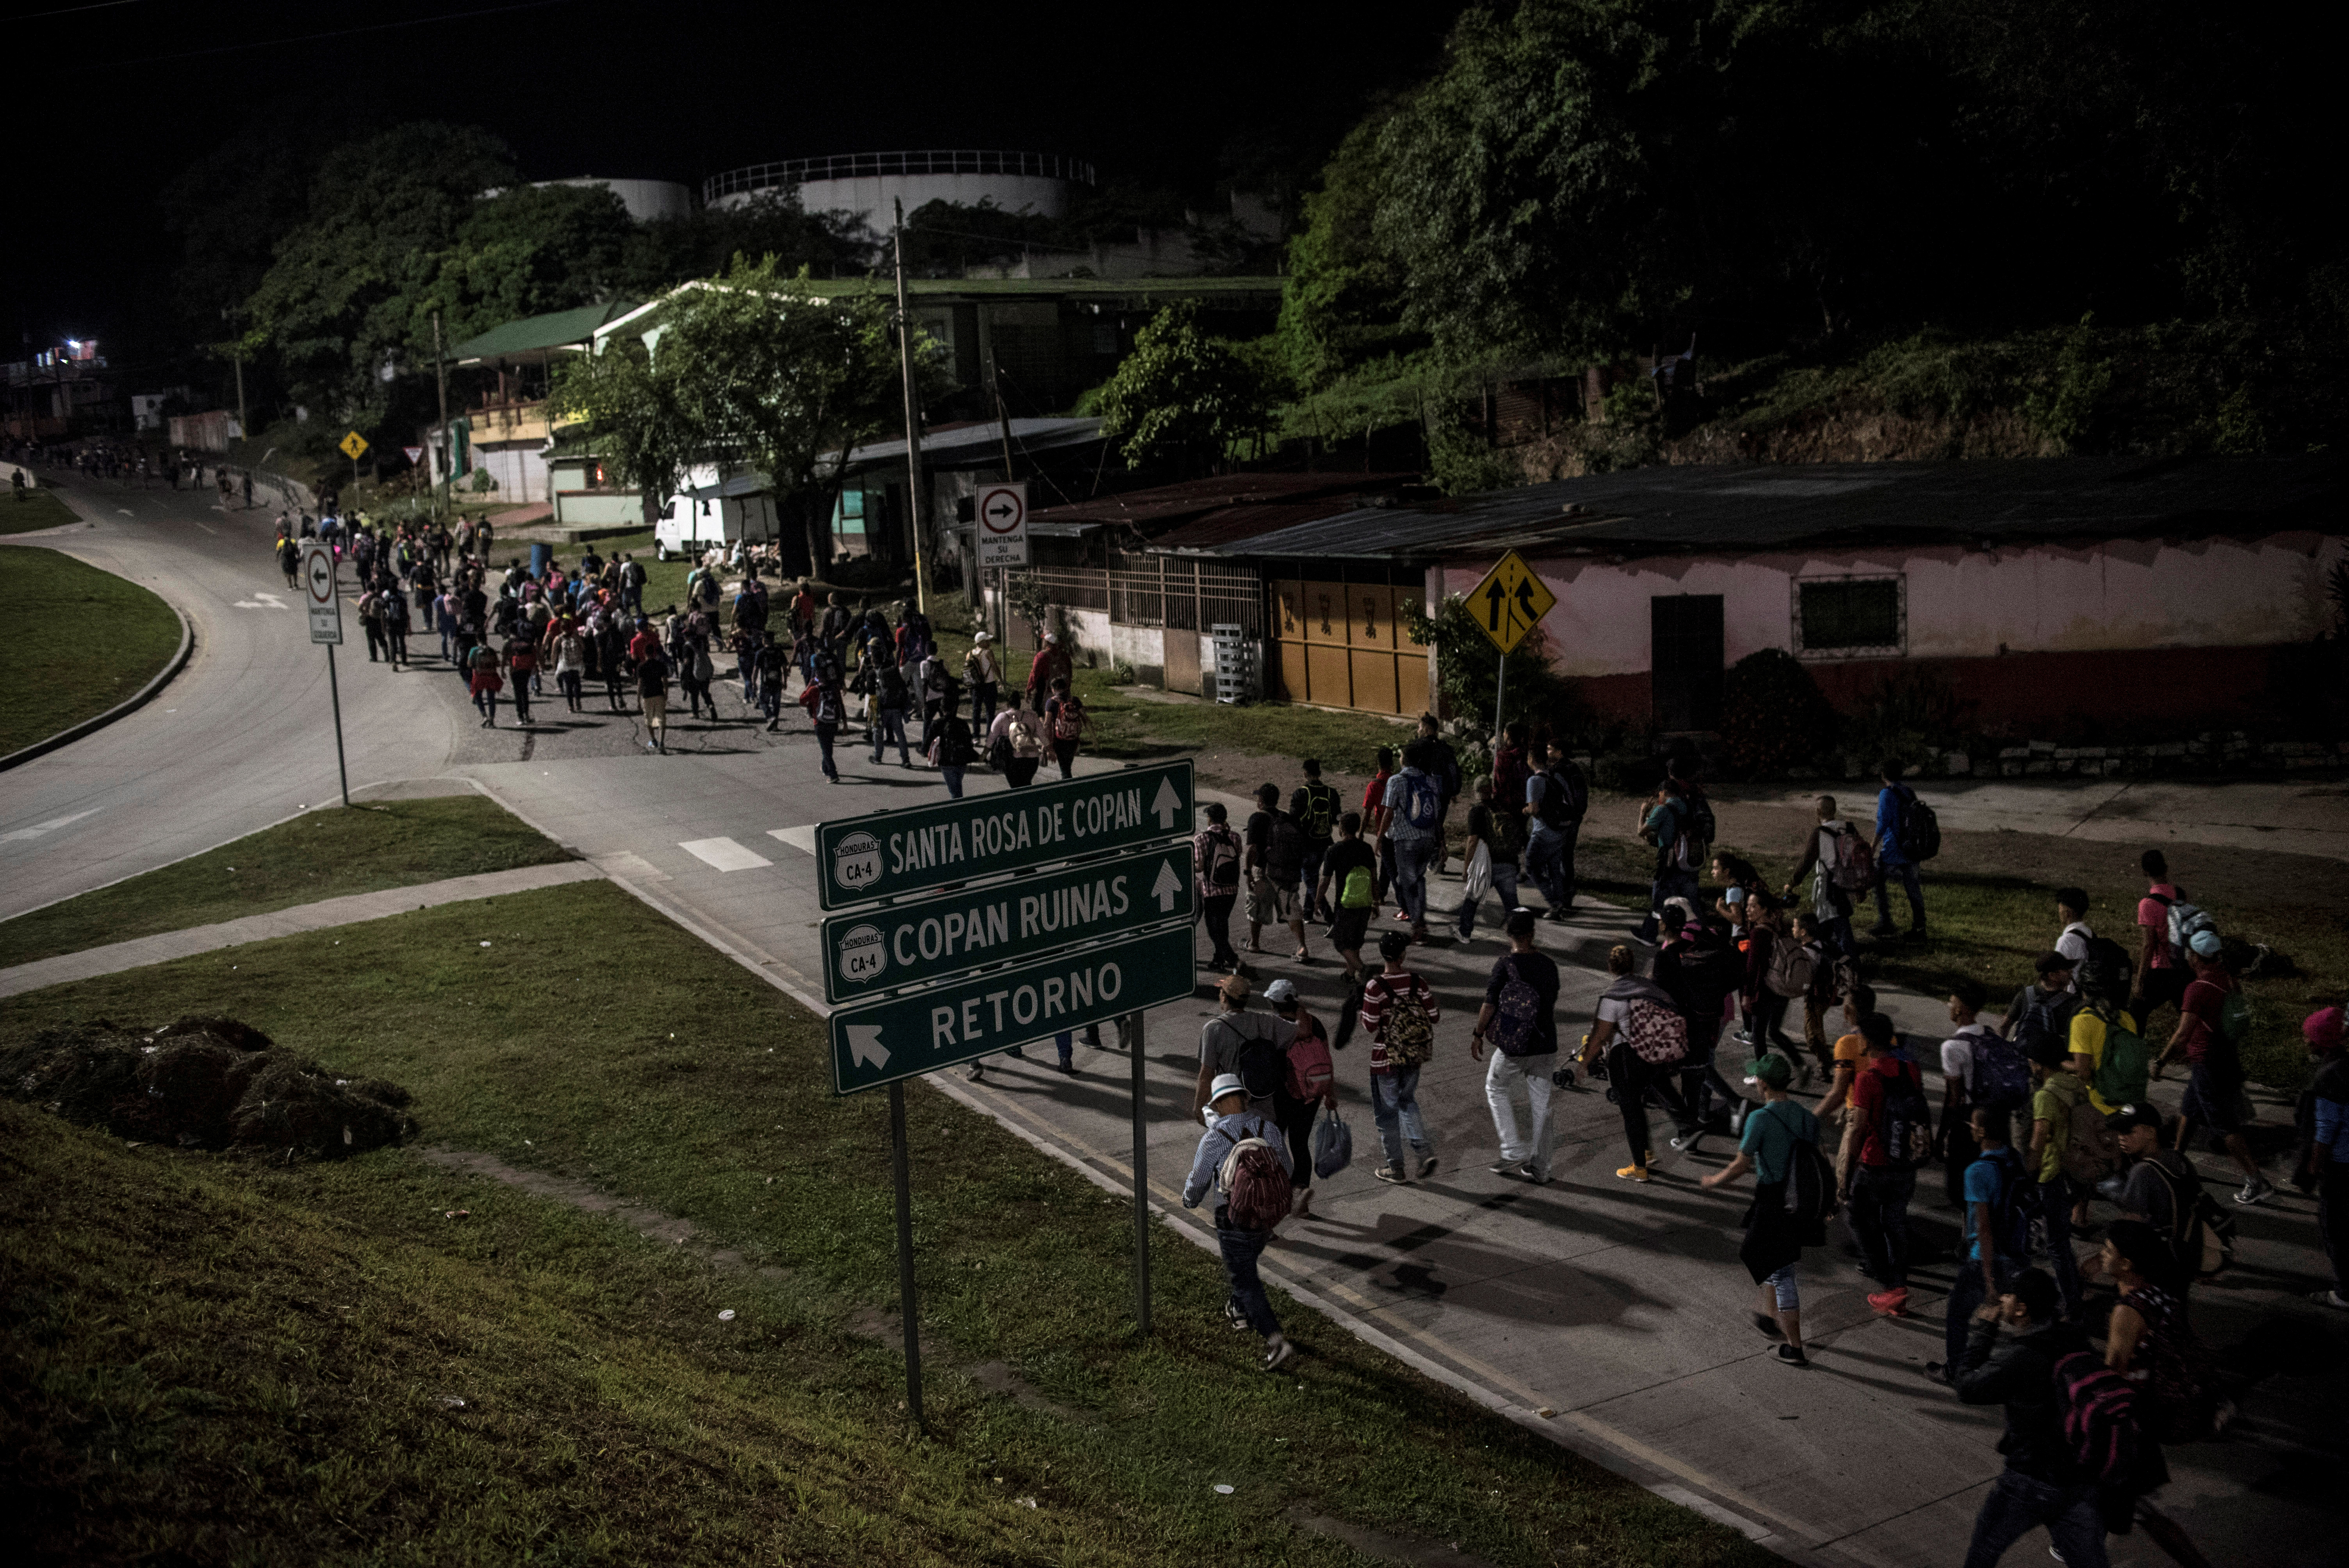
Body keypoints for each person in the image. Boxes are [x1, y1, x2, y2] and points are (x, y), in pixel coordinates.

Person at [1949, 1269, 2107, 1568]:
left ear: (2021, 1308)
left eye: (2008, 1295)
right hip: (2078, 1475)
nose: (2002, 1301)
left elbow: (1968, 1388)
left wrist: (1983, 1332)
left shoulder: (2021, 1356)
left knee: (1984, 1551)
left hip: (2031, 1477)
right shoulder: (2072, 1337)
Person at [1699, 1053, 1824, 1367]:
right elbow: (1822, 1159)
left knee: (1778, 1269)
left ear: (1764, 1084)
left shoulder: (1760, 1119)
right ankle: (1769, 1315)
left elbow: (1742, 1165)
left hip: (1774, 1201)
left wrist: (1714, 1181)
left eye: (1757, 1079)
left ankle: (1795, 1348)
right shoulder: (1807, 1116)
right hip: (1801, 1198)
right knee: (1771, 1257)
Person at [1181, 1071, 1297, 1372]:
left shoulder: (1215, 1139)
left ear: (1217, 1106)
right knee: (1247, 1263)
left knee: (1244, 1279)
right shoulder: (1268, 1129)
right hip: (1267, 1217)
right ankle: (1239, 1311)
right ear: (1245, 1099)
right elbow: (1286, 1167)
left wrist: (1189, 1202)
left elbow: (1198, 1182)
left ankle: (1275, 1340)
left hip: (1234, 1219)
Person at [2158, 930, 2271, 1204]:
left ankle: (2257, 1180)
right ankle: (2176, 1160)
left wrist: (2161, 1060)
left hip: (2208, 1063)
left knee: (2223, 1125)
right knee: (2190, 1109)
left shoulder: (2198, 988)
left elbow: (2183, 1033)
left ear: (2196, 957)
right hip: (2222, 1056)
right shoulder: (2227, 979)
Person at [1928, 1105, 2030, 1385]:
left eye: (1974, 1125)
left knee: (1958, 1315)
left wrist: (1988, 1278)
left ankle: (1956, 1370)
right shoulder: (2014, 1158)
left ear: (1983, 1131)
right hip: (2017, 1253)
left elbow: (1983, 1228)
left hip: (1986, 1258)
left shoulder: (1977, 1171)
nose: (1971, 1129)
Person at [1841, 1010, 1924, 1318]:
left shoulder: (1869, 1078)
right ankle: (1898, 1288)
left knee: (1859, 1219)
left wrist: (1847, 1170)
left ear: (1867, 1040)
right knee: (1895, 1222)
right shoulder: (1910, 1068)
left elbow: (1858, 1128)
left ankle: (1891, 1287)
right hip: (1905, 1162)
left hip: (1875, 1164)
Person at [1469, 908, 1561, 1183]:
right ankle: (1540, 1167)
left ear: (1509, 934)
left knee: (1495, 1087)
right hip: (1545, 1043)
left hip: (1515, 1046)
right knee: (1542, 1105)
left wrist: (1478, 1033)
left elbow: (1490, 1004)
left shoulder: (1506, 965)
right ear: (1533, 934)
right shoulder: (1549, 965)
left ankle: (1512, 1149)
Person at [1577, 943, 1680, 1182]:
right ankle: (1647, 1152)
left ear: (1611, 968)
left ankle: (1640, 1168)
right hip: (1652, 1055)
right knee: (1641, 1104)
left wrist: (1584, 1063)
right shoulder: (1650, 988)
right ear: (1633, 965)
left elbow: (1600, 1036)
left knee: (1631, 1110)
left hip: (1626, 1058)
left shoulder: (1613, 996)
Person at [1358, 929, 1440, 1183]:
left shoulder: (1375, 986)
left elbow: (1370, 1026)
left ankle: (1396, 1168)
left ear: (1383, 955)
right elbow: (1434, 1016)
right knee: (1407, 1102)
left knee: (1387, 1116)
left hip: (1385, 1060)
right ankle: (1424, 1152)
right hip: (1413, 1056)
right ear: (1403, 956)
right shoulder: (1418, 982)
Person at [2105, 1105, 2206, 1303]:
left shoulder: (2143, 1172)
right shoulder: (2176, 1158)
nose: (2121, 1138)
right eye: (2119, 1132)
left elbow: (2130, 1226)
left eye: (2128, 1132)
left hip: (2157, 1262)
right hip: (2183, 1254)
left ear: (2151, 1133)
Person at [2024, 1036, 2090, 1320]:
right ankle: (2074, 1289)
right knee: (2061, 1239)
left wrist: (2029, 1173)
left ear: (2039, 1065)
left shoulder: (2045, 1096)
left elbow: (2039, 1139)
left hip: (2053, 1175)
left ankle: (2072, 1303)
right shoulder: (2075, 1086)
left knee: (2056, 1244)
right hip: (2077, 1173)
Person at [1264, 978, 1335, 1217]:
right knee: (1300, 1142)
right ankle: (1300, 1191)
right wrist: (1330, 1093)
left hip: (1286, 1093)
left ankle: (1277, 1192)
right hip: (1312, 1093)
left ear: (1274, 1004)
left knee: (1272, 1141)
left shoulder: (1277, 1026)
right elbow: (1325, 1057)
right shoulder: (1314, 1023)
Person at [2297, 1005, 2349, 1309]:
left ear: (2320, 1041)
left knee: (2336, 1228)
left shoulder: (2331, 1075)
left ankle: (2344, 1293)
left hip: (2341, 1166)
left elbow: (2326, 1127)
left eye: (2308, 1036)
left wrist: (2315, 1165)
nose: (2305, 1041)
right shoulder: (2346, 1064)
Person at [1190, 974, 1290, 1119]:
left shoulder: (1214, 1029)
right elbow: (1296, 1031)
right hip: (1263, 1108)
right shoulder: (1263, 1020)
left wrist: (1198, 1109)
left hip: (1232, 1109)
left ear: (1224, 997)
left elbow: (1206, 1075)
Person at [1378, 742, 1443, 942]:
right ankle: (1420, 919)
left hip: (1406, 841)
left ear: (1404, 760)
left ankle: (1418, 927)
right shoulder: (1430, 782)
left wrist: (1379, 838)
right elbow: (1437, 816)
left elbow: (1388, 812)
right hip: (1427, 839)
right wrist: (1442, 843)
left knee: (1408, 883)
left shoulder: (1396, 781)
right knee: (1419, 879)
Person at [1631, 765, 1702, 945]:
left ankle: (1649, 936)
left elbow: (1642, 832)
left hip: (1669, 863)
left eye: (1659, 794)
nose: (1659, 798)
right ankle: (1700, 937)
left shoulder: (1661, 810)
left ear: (1664, 792)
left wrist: (1643, 812)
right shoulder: (1687, 805)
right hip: (1688, 860)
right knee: (1692, 904)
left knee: (1659, 901)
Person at [1783, 795, 1862, 955]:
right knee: (1831, 924)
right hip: (1848, 883)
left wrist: (1792, 883)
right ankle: (1826, 956)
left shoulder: (1820, 833)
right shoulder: (1850, 828)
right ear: (1834, 810)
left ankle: (1849, 964)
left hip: (1830, 886)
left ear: (1818, 811)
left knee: (1839, 925)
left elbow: (1807, 862)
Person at [1243, 783, 1311, 962]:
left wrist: (1248, 872)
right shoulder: (1286, 818)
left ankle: (1255, 944)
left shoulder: (1257, 818)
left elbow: (1252, 849)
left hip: (1264, 872)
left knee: (1257, 906)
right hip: (1286, 873)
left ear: (1261, 801)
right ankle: (1302, 946)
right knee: (1292, 909)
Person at [1455, 776, 1522, 941]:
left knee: (1471, 900)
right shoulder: (1502, 808)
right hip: (1508, 863)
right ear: (1491, 790)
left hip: (1487, 865)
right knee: (1512, 906)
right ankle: (1521, 938)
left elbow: (1472, 842)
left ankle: (1464, 933)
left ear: (1476, 792)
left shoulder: (1477, 811)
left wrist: (1466, 869)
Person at [1316, 812, 1378, 984]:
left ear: (1342, 829)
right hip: (1365, 903)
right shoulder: (1366, 848)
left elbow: (1325, 881)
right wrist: (1376, 902)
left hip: (1345, 905)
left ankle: (1363, 970)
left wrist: (1317, 902)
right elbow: (1374, 878)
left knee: (1341, 943)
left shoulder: (1334, 850)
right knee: (1356, 941)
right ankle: (1350, 975)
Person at [1869, 759, 1927, 940]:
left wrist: (1873, 847)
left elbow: (1883, 823)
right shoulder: (1909, 792)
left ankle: (1885, 921)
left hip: (1894, 848)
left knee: (1877, 880)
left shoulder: (1886, 794)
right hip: (1911, 848)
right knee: (1913, 888)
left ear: (1883, 775)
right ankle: (1920, 927)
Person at [2132, 849, 2191, 1024]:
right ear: (2166, 869)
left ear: (2145, 872)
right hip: (2183, 968)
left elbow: (2149, 946)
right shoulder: (2180, 895)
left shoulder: (2147, 904)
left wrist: (2140, 981)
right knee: (2189, 1019)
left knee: (2136, 1014)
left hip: (2161, 971)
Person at [1194, 802, 1243, 971]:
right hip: (1232, 890)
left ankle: (1234, 960)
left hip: (1212, 891)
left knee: (1214, 930)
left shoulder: (1202, 838)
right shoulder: (1235, 837)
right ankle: (1218, 960)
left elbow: (1200, 867)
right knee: (1222, 925)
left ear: (1209, 819)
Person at [1295, 759, 1341, 921]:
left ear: (1305, 773)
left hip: (1308, 844)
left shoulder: (1301, 794)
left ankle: (1329, 916)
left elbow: (1294, 821)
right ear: (1320, 773)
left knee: (1311, 880)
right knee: (1313, 877)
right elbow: (1336, 818)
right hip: (1326, 843)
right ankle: (1308, 912)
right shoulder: (1331, 793)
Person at [1361, 747, 1397, 910]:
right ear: (1392, 763)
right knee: (1389, 864)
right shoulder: (1397, 781)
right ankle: (1382, 893)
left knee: (1388, 865)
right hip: (1400, 830)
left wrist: (1361, 833)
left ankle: (1386, 895)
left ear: (1378, 764)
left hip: (1385, 831)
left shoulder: (1374, 786)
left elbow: (1367, 812)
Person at [868, 638, 913, 767]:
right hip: (896, 708)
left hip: (880, 708)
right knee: (900, 734)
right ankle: (906, 759)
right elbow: (903, 688)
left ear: (873, 660)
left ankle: (878, 756)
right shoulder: (893, 671)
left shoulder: (872, 674)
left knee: (878, 733)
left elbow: (872, 694)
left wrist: (873, 713)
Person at [929, 677, 976, 797]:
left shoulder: (937, 724)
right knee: (957, 785)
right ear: (955, 708)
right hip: (962, 760)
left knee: (954, 790)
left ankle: (958, 811)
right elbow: (969, 741)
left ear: (942, 708)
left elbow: (928, 741)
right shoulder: (962, 723)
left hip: (946, 761)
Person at [987, 701, 1046, 788]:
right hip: (1032, 758)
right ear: (1020, 705)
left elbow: (991, 738)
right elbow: (1042, 735)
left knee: (1015, 787)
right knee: (1026, 784)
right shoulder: (1032, 716)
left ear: (1008, 704)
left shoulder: (1002, 717)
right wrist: (1050, 749)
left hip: (1011, 759)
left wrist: (984, 754)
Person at [1043, 674, 1087, 780]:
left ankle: (1069, 791)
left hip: (1060, 740)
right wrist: (1095, 740)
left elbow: (1047, 724)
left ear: (1053, 690)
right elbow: (1085, 718)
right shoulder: (1075, 701)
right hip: (1073, 740)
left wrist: (1046, 745)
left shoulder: (1051, 703)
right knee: (1067, 767)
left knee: (1065, 770)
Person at [636, 637, 672, 753]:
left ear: (644, 653)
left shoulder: (641, 667)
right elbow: (665, 681)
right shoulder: (661, 665)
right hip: (659, 693)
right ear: (654, 653)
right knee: (661, 718)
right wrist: (666, 693)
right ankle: (662, 742)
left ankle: (654, 740)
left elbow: (640, 684)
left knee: (649, 719)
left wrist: (638, 700)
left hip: (647, 695)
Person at [1025, 629, 1071, 713]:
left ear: (1047, 643)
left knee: (1044, 714)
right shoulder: (1065, 656)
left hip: (1047, 691)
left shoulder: (1041, 657)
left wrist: (1029, 690)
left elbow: (1034, 675)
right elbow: (1070, 673)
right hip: (1064, 692)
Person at [964, 631, 1001, 732]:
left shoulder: (969, 654)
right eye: (987, 641)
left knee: (976, 711)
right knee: (990, 711)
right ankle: (989, 735)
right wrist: (1001, 679)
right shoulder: (988, 652)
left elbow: (968, 672)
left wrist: (969, 687)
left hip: (976, 686)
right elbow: (995, 667)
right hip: (989, 684)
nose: (989, 642)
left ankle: (976, 735)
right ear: (982, 642)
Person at [2053, 888, 2096, 969]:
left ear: (2067, 913)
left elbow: (2058, 973)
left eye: (2060, 909)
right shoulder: (2090, 933)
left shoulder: (2066, 941)